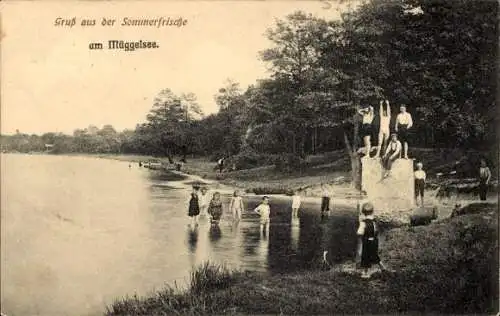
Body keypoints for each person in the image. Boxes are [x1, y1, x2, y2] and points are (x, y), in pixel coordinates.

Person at [357, 202, 392, 278]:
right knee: (374, 255)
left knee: (365, 256)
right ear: (372, 212)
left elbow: (359, 233)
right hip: (374, 241)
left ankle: (366, 273)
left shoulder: (363, 223)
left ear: (363, 213)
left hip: (367, 242)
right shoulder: (374, 221)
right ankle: (382, 267)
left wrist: (360, 225)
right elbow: (376, 230)